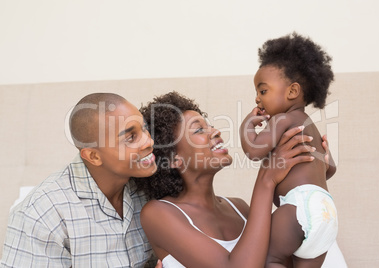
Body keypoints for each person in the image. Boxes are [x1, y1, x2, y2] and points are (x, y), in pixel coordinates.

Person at [134, 91, 328, 268]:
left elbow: (286, 261)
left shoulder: (240, 208)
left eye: (209, 124)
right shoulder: (157, 214)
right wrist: (266, 179)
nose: (215, 131)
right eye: (199, 130)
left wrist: (313, 171)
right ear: (173, 158)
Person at [1, 93, 161, 267]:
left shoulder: (149, 188)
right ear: (93, 156)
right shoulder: (41, 213)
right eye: (130, 137)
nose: (148, 141)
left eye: (144, 128)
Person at [239, 32, 338, 267]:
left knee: (270, 258)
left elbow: (254, 150)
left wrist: (246, 126)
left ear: (292, 92)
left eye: (262, 91)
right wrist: (326, 158)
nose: (256, 99)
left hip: (299, 206)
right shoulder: (308, 124)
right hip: (326, 211)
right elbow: (329, 169)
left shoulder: (283, 119)